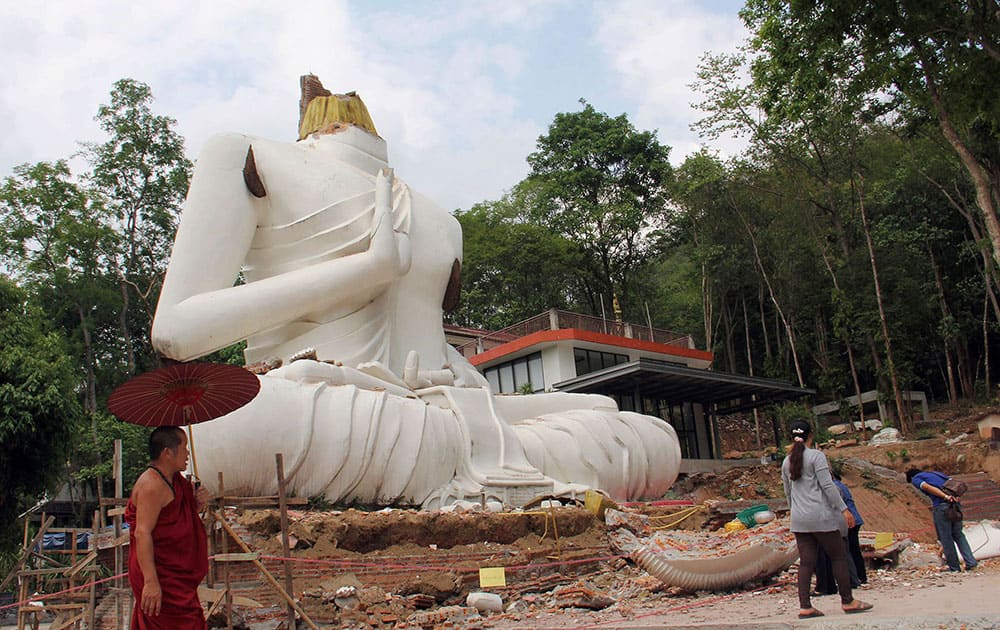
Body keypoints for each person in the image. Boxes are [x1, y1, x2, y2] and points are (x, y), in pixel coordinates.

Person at [150, 75, 681, 508]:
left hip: (429, 414)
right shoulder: (247, 155)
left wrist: (469, 387)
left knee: (623, 421)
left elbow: (429, 338)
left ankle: (457, 459)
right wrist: (369, 268)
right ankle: (471, 462)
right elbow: (176, 331)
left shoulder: (440, 219)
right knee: (218, 424)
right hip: (321, 405)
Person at [781, 420, 872, 619]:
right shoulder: (816, 456)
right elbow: (829, 487)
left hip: (799, 520)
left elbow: (788, 493)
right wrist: (844, 510)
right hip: (821, 517)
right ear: (811, 436)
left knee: (806, 563)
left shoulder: (786, 461)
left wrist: (795, 513)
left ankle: (805, 606)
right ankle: (848, 601)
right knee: (838, 556)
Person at [125, 427, 210, 629]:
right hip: (157, 573)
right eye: (184, 447)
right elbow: (142, 532)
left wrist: (196, 503)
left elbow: (177, 522)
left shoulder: (175, 482)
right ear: (167, 452)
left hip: (176, 576)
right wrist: (151, 582)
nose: (188, 453)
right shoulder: (152, 485)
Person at [906, 467, 978, 572]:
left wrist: (945, 496)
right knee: (958, 535)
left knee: (946, 538)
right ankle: (971, 562)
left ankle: (954, 567)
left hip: (942, 507)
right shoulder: (936, 474)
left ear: (911, 477)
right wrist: (955, 496)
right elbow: (954, 484)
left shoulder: (916, 479)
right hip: (955, 506)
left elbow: (926, 487)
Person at [815, 471, 865, 594]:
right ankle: (858, 578)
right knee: (851, 552)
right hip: (849, 521)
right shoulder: (840, 486)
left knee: (843, 554)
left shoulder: (833, 489)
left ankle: (851, 581)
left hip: (842, 522)